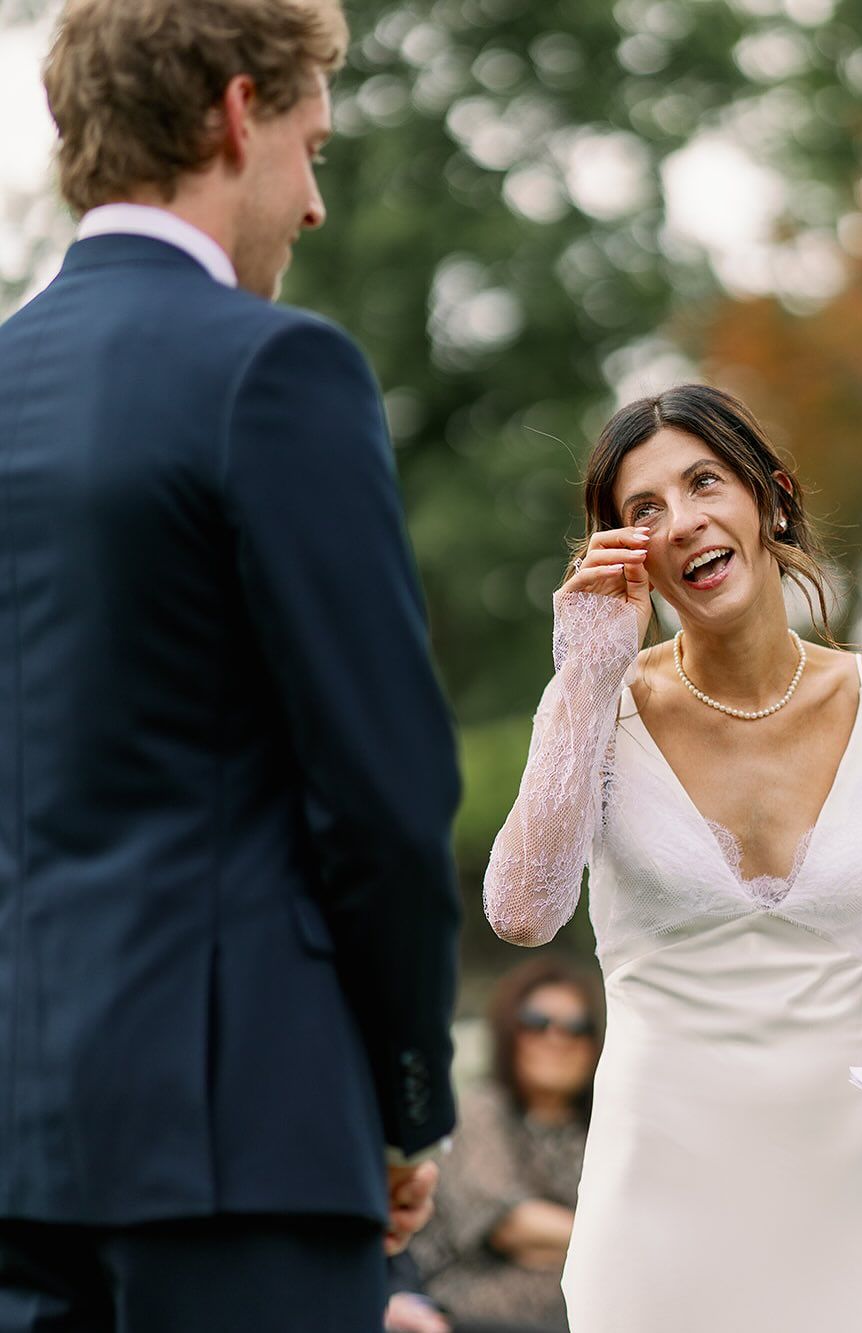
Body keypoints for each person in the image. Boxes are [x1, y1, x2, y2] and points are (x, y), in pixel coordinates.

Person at [0, 2, 460, 1330]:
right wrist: (403, 1102)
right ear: (236, 110)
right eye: (312, 146)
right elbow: (380, 791)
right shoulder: (276, 371)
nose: (314, 203)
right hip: (236, 1139)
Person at [484, 384, 862, 1332]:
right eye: (642, 510)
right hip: (657, 1186)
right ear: (623, 551)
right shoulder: (596, 711)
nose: (682, 521)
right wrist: (583, 672)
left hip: (851, 1186)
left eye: (703, 483)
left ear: (768, 498)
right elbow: (522, 913)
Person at [390, 958, 601, 1333]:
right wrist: (610, 1242)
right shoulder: (482, 1111)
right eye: (538, 1023)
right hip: (472, 1311)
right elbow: (508, 1223)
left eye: (576, 1027)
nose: (557, 1039)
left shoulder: (599, 1129)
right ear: (510, 1032)